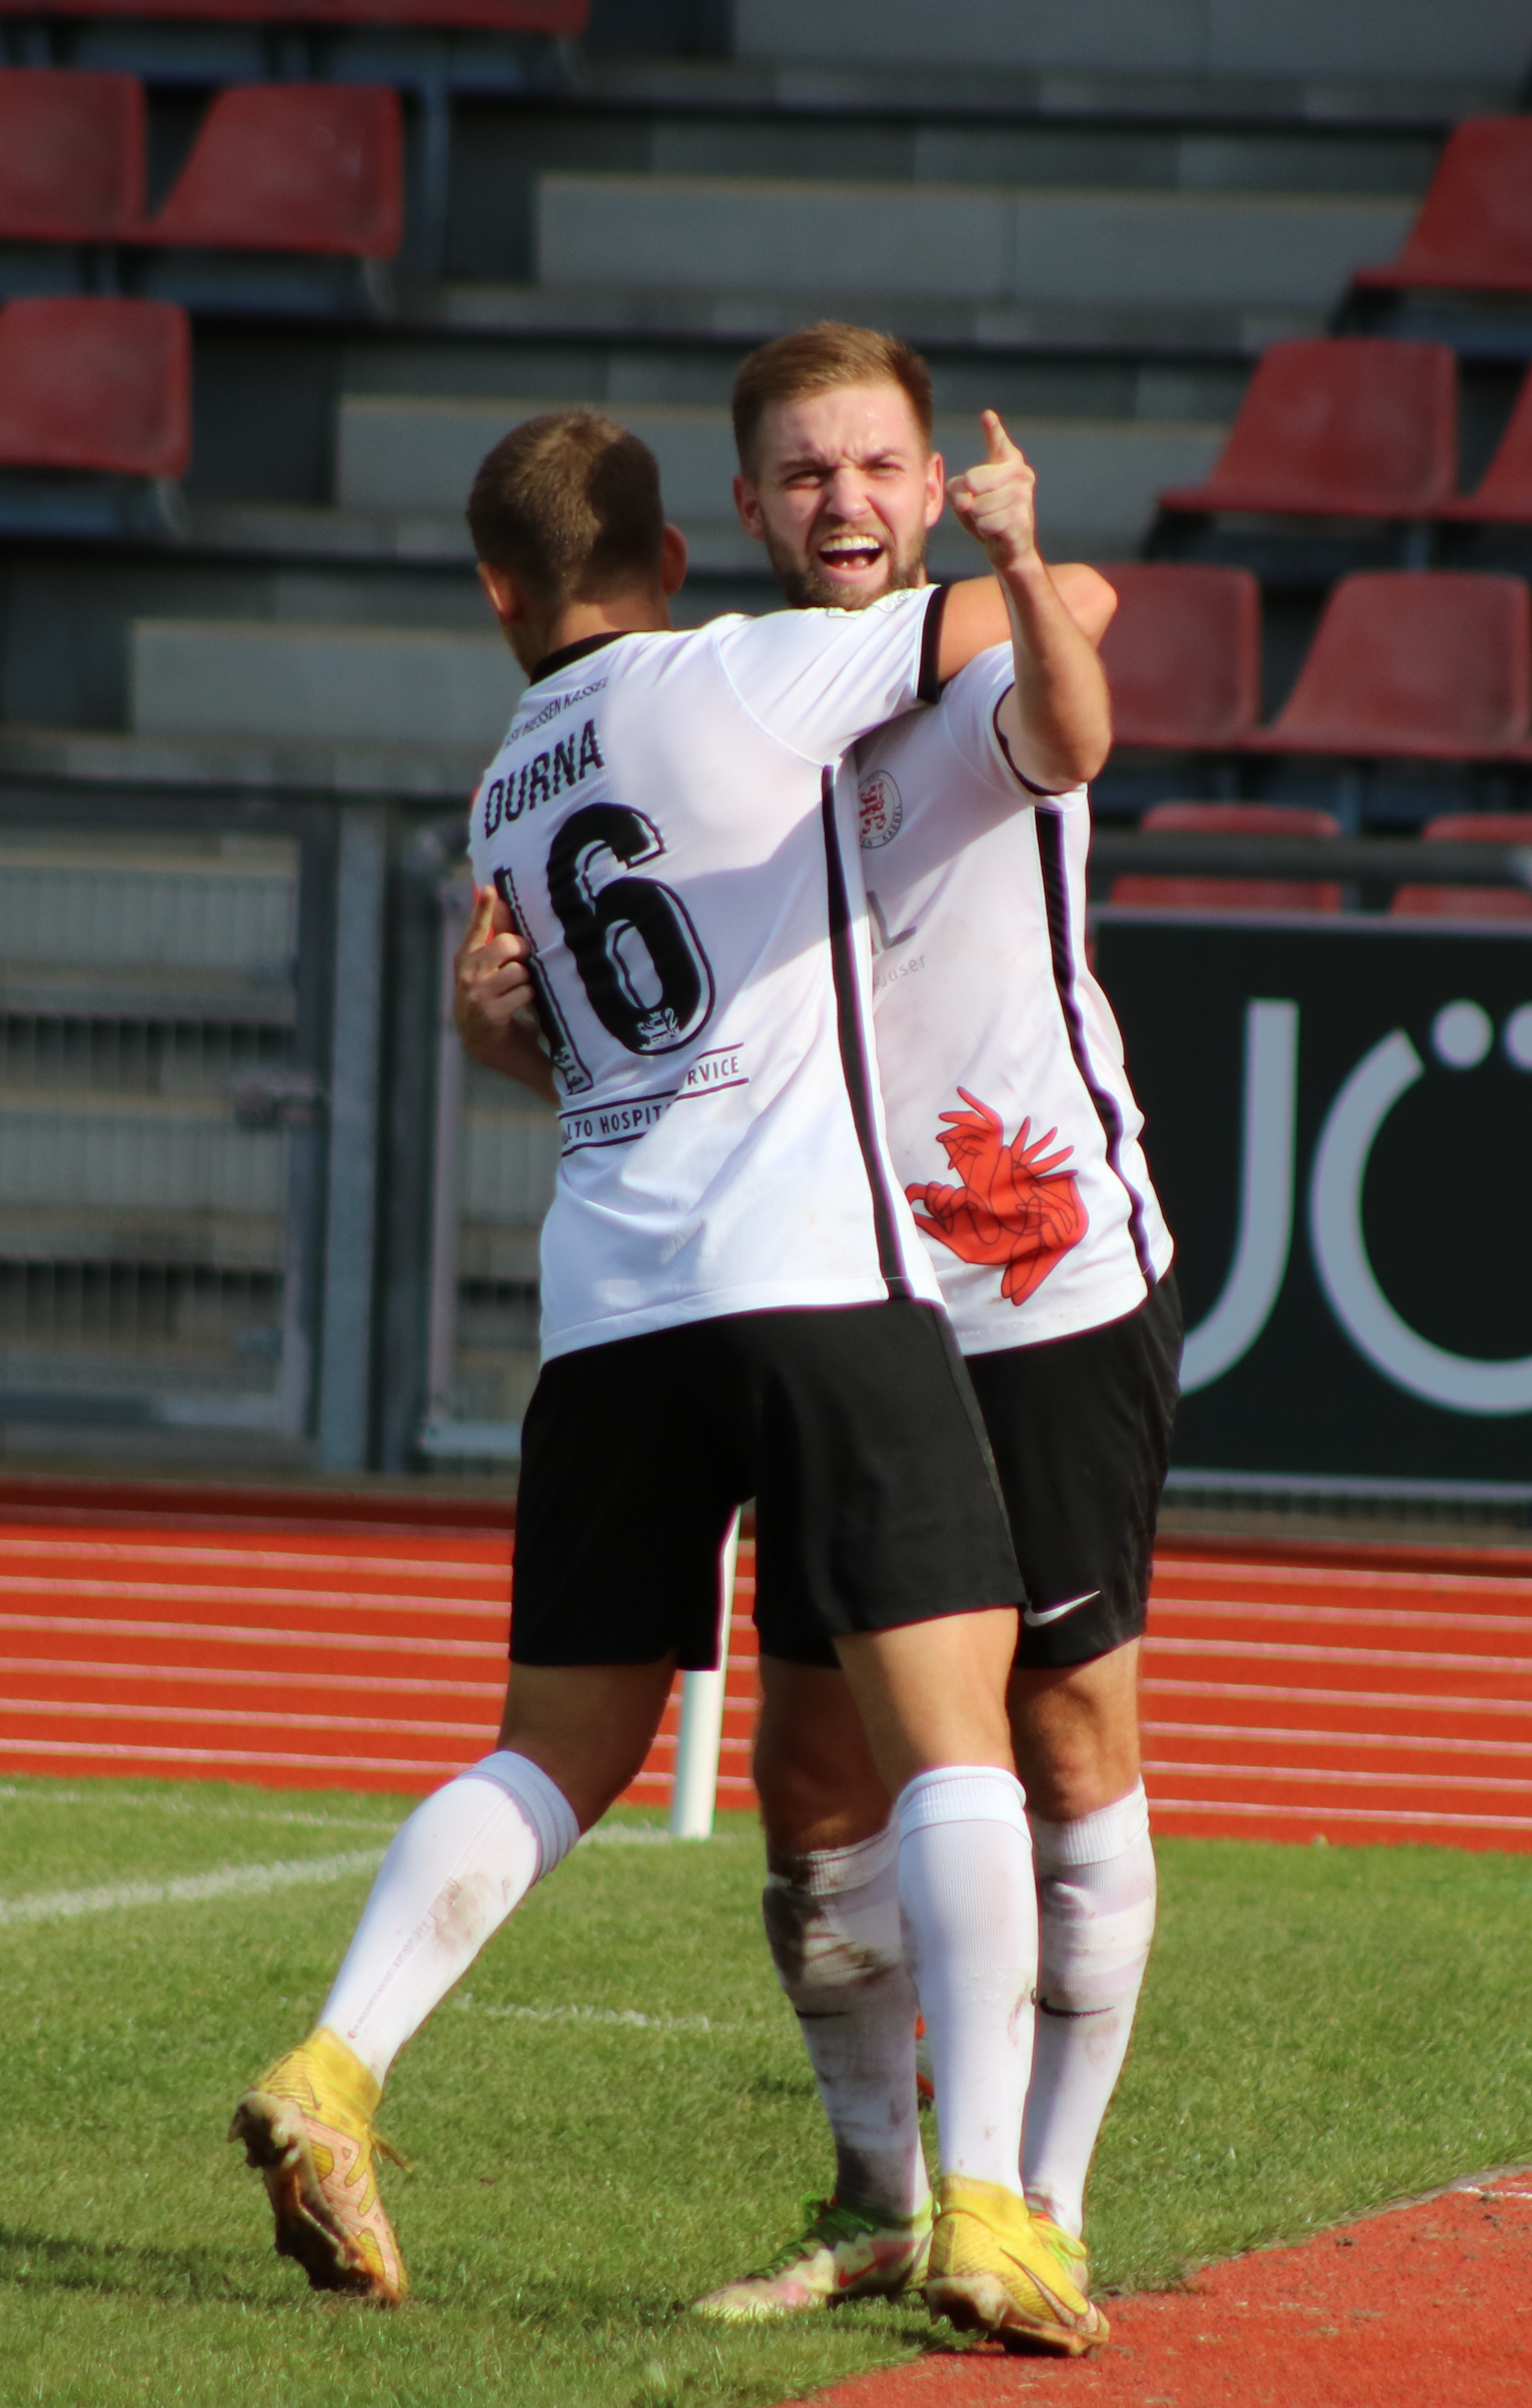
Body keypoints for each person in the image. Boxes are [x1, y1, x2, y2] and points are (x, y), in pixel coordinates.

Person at [233, 404, 1123, 2356]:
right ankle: (990, 2212)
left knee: (553, 1747)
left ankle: (338, 2063)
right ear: (672, 555)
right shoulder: (740, 671)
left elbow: (596, 1023)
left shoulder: (502, 790)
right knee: (956, 1734)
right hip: (812, 1280)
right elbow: (1014, 631)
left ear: (497, 591)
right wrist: (989, 540)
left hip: (607, 1308)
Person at [462, 323, 1177, 2337]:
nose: (842, 503)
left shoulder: (960, 677)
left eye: (876, 468)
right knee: (814, 1783)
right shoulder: (717, 719)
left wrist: (1037, 568)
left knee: (1059, 1732)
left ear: (931, 484)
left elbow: (1079, 716)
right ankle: (876, 2192)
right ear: (744, 513)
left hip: (1021, 1275)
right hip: (828, 1299)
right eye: (803, 474)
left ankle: (1038, 2202)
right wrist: (503, 1042)